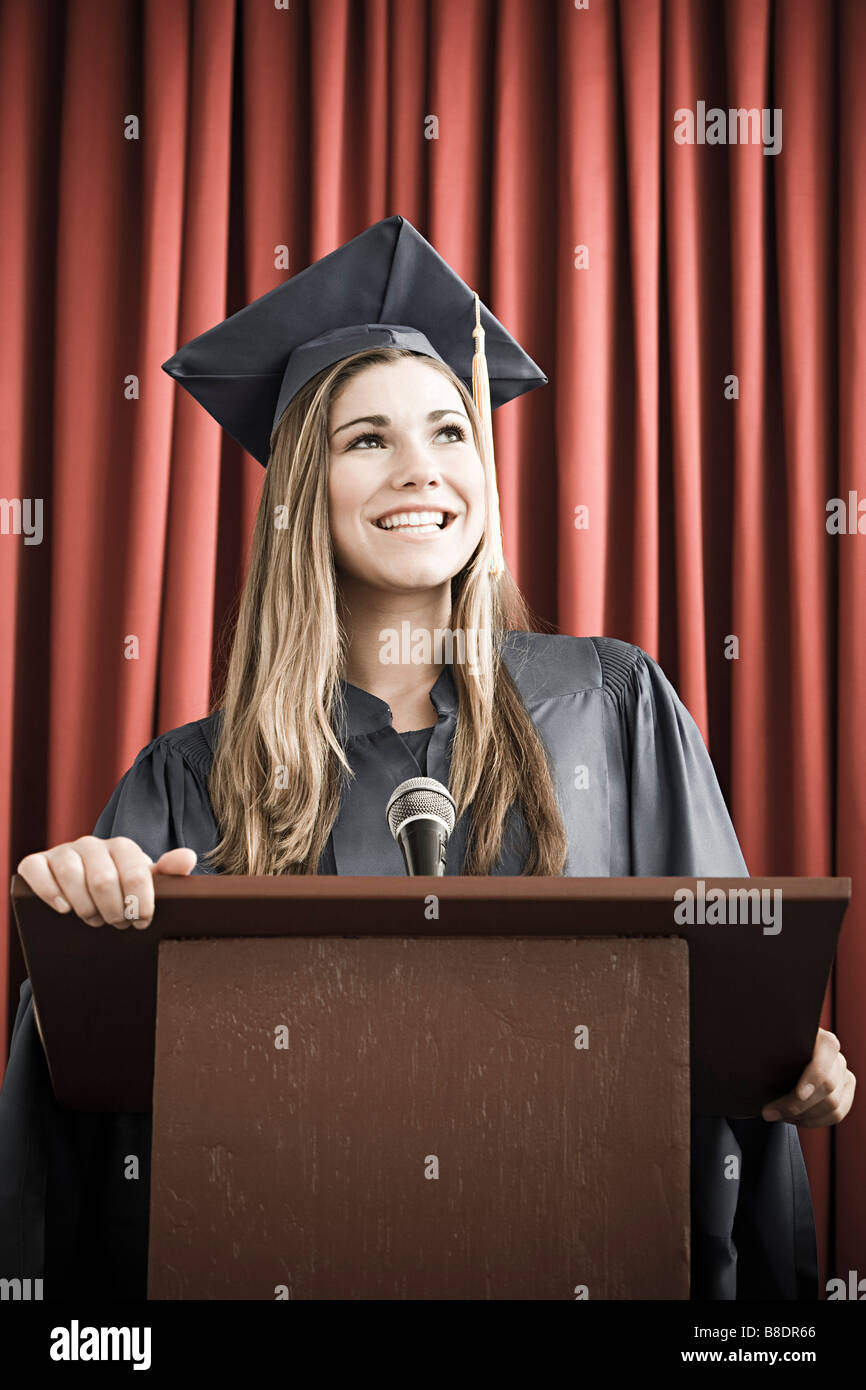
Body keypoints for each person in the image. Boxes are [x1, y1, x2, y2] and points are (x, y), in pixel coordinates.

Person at [1, 215, 854, 1301]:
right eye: (367, 439)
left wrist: (790, 1063)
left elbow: (734, 1008)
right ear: (301, 490)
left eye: (451, 432)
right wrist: (74, 935)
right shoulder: (186, 784)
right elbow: (89, 1115)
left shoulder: (610, 705)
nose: (423, 469)